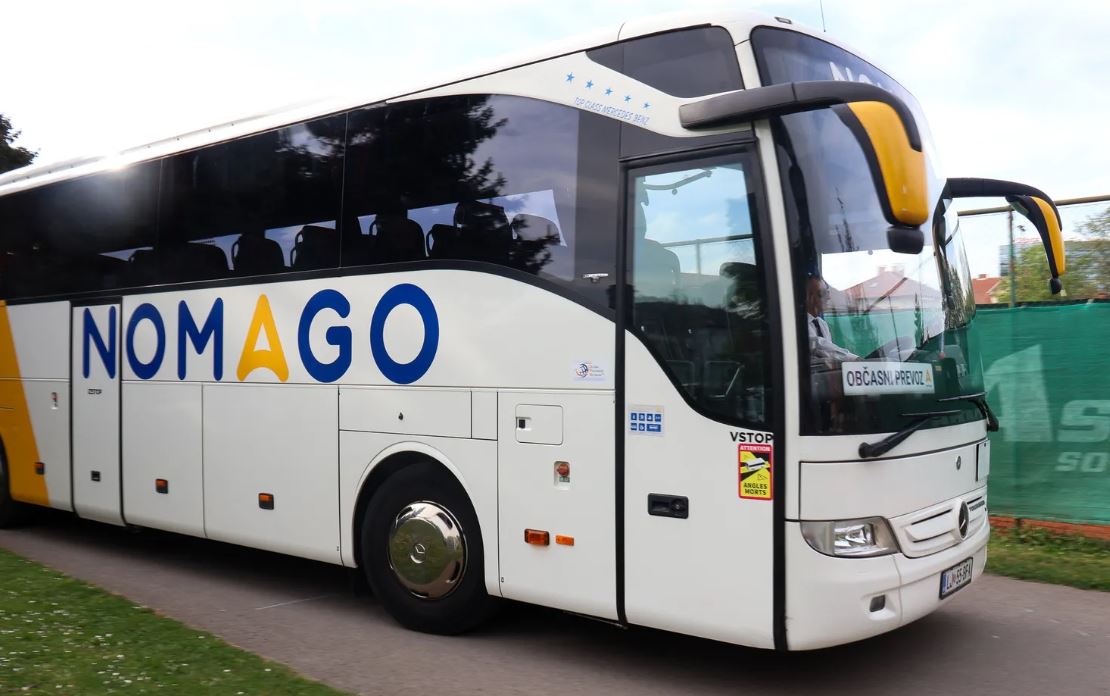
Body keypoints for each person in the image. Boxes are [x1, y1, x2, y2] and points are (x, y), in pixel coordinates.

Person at [805, 272, 858, 362]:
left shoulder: (822, 323)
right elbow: (819, 345)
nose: (828, 297)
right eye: (823, 293)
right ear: (810, 297)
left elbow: (828, 355)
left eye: (828, 292)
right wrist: (855, 359)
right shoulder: (797, 324)